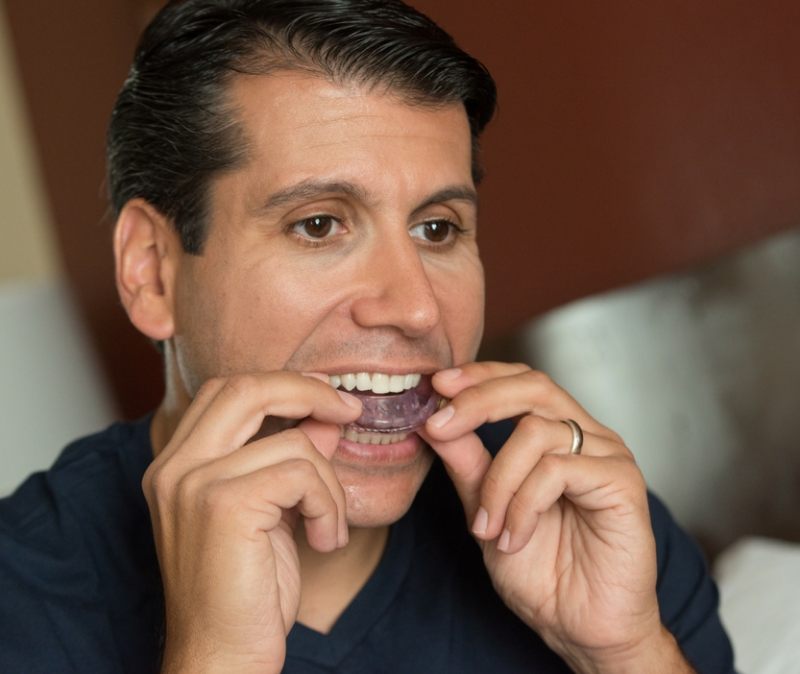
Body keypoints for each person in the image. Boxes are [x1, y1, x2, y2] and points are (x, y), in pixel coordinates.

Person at [0, 1, 734, 672]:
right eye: (318, 225)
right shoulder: (22, 601)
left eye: (437, 228)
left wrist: (624, 649)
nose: (415, 308)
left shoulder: (585, 519)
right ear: (153, 273)